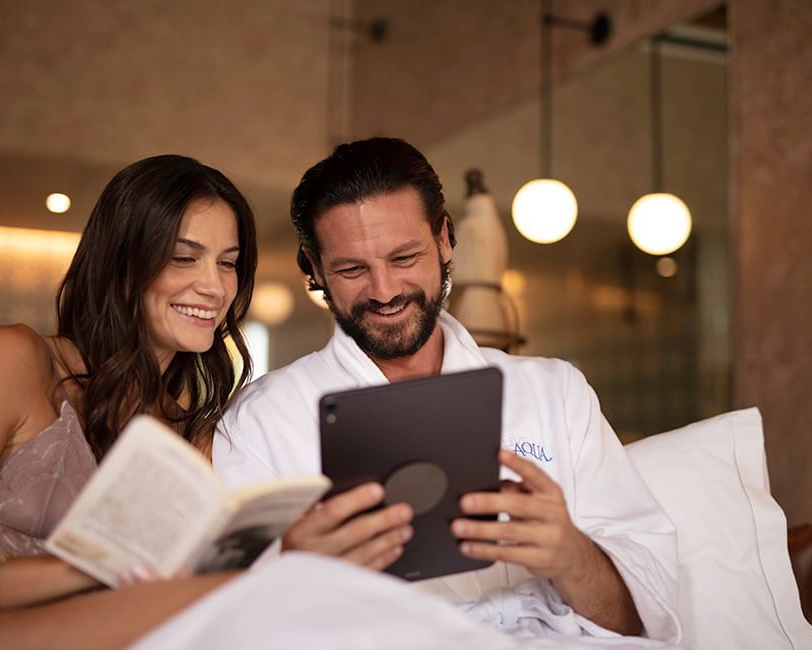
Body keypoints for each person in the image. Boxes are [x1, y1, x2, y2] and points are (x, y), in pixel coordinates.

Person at [213, 138, 682, 644]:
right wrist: (300, 577)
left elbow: (644, 615)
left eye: (405, 257)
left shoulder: (554, 391)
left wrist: (570, 555)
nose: (385, 290)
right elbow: (228, 627)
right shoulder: (263, 424)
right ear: (314, 268)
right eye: (352, 270)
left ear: (444, 239)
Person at [0, 154, 258, 648]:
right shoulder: (17, 359)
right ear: (122, 263)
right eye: (184, 257)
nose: (214, 286)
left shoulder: (190, 434)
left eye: (227, 262)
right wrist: (84, 570)